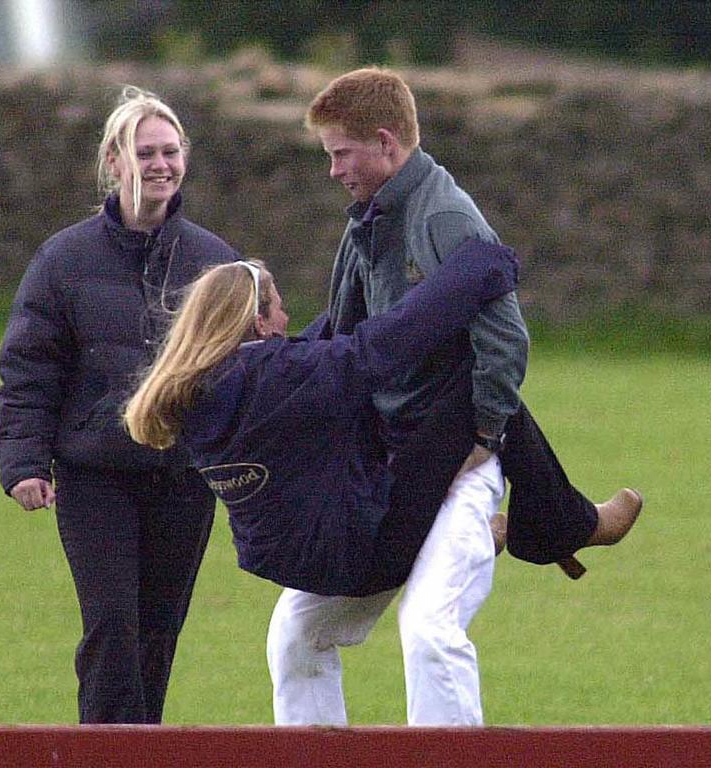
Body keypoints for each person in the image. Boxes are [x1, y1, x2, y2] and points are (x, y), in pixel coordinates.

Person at [259, 67, 644, 727]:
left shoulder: (445, 216)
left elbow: (507, 339)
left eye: (339, 154)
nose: (333, 171)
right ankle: (556, 521)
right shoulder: (368, 222)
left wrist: (485, 439)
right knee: (296, 634)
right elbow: (349, 336)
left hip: (462, 466)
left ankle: (530, 521)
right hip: (385, 474)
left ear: (384, 143)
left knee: (430, 631)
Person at [0, 86, 238, 724]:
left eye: (171, 150)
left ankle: (140, 749)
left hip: (183, 480)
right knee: (111, 628)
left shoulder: (215, 262)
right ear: (114, 162)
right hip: (95, 474)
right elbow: (29, 368)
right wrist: (24, 463)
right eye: (144, 151)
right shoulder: (64, 259)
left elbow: (245, 372)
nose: (160, 163)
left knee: (158, 633)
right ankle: (103, 750)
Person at [123, 238, 519, 598]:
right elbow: (381, 346)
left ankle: (553, 520)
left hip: (292, 566)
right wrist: (483, 263)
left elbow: (316, 343)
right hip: (362, 560)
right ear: (259, 323)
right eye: (280, 308)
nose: (286, 318)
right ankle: (531, 527)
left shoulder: (194, 391)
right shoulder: (277, 379)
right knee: (462, 381)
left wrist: (365, 275)